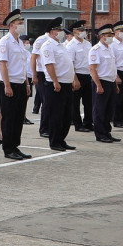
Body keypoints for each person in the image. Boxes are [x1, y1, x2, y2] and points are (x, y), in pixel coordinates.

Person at [0, 10, 33, 160]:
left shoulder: (19, 43)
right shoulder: (5, 42)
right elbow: (3, 65)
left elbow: (22, 65)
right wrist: (7, 85)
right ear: (12, 25)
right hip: (9, 83)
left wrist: (26, 83)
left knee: (18, 118)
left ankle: (15, 146)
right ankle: (8, 148)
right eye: (19, 23)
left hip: (20, 83)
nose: (22, 25)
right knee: (9, 117)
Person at [39, 17, 78, 152]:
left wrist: (73, 79)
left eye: (61, 30)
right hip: (56, 84)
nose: (61, 32)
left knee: (66, 115)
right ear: (51, 32)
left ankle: (61, 139)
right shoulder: (48, 45)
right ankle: (54, 141)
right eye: (58, 30)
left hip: (66, 83)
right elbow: (49, 65)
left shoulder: (61, 45)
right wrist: (55, 81)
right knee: (56, 114)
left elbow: (68, 64)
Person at [87, 23, 121, 143]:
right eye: (108, 35)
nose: (111, 37)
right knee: (100, 110)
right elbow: (93, 69)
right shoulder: (95, 50)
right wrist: (98, 85)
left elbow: (112, 67)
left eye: (111, 34)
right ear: (102, 36)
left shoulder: (110, 48)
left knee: (109, 110)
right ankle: (100, 134)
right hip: (101, 81)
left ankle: (107, 132)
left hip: (110, 82)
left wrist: (115, 84)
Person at [66, 20, 94, 132]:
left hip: (88, 75)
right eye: (81, 30)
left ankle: (88, 122)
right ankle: (78, 124)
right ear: (75, 32)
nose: (83, 32)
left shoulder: (88, 44)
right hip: (77, 75)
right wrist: (75, 79)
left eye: (84, 30)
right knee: (75, 103)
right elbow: (70, 64)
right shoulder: (71, 46)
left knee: (89, 102)